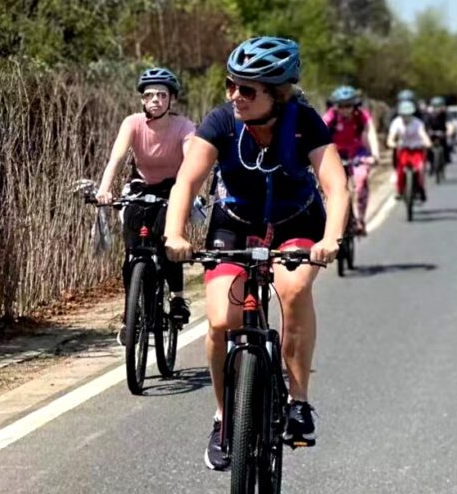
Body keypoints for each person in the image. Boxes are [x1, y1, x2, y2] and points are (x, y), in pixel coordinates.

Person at [162, 36, 349, 470]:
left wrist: (331, 239)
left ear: (278, 93)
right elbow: (186, 182)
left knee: (294, 286)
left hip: (295, 222)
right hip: (235, 224)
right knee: (221, 321)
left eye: (247, 89)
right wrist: (175, 233)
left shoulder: (305, 122)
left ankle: (298, 401)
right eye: (231, 85)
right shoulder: (222, 122)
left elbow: (336, 186)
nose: (235, 96)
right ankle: (225, 415)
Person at [96, 68, 196, 343]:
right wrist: (104, 189)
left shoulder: (184, 127)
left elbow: (191, 164)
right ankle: (132, 315)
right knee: (132, 253)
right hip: (140, 187)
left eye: (162, 95)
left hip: (173, 188)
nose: (155, 100)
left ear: (171, 99)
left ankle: (177, 298)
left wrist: (189, 193)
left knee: (168, 242)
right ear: (142, 100)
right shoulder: (132, 123)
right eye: (149, 95)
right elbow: (116, 160)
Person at [322, 85, 380, 235]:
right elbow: (318, 132)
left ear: (355, 105)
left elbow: (371, 133)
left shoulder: (362, 116)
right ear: (336, 106)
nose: (345, 109)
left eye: (348, 105)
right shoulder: (331, 117)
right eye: (341, 106)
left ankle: (360, 220)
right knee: (325, 188)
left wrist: (375, 154)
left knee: (360, 184)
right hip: (336, 154)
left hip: (358, 154)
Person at [387, 100, 432, 201]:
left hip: (417, 149)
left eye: (408, 115)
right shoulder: (396, 123)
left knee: (420, 169)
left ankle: (421, 188)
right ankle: (399, 190)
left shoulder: (417, 123)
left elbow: (423, 135)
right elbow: (391, 138)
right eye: (404, 115)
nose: (406, 117)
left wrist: (427, 143)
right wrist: (392, 143)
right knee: (400, 171)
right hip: (403, 150)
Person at [425, 96, 453, 168]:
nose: (437, 109)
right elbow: (426, 126)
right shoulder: (429, 115)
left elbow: (450, 125)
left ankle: (446, 158)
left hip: (443, 132)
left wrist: (449, 132)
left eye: (439, 106)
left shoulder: (446, 114)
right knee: (428, 146)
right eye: (435, 107)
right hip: (432, 132)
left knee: (447, 144)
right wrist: (428, 132)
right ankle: (430, 161)